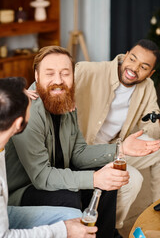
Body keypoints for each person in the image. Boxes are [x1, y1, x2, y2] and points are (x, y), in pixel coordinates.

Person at [5, 46, 160, 238]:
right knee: (70, 196)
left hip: (56, 175)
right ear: (37, 76)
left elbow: (78, 153)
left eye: (65, 73)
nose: (58, 80)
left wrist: (121, 148)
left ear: (73, 76)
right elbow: (42, 176)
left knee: (107, 182)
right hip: (23, 191)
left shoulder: (66, 101)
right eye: (49, 73)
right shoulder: (30, 111)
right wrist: (94, 178)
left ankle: (104, 235)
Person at [75, 39, 160, 231]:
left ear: (150, 73)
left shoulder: (147, 87)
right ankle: (107, 227)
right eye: (133, 59)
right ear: (127, 54)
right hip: (84, 150)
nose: (134, 68)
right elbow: (55, 81)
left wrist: (154, 123)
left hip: (117, 147)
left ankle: (116, 224)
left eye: (143, 67)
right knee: (134, 179)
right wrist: (29, 92)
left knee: (158, 147)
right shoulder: (91, 71)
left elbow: (152, 126)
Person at [0, 76, 97, 238]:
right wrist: (63, 231)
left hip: (5, 210)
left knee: (74, 217)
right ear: (18, 124)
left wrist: (12, 94)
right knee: (69, 226)